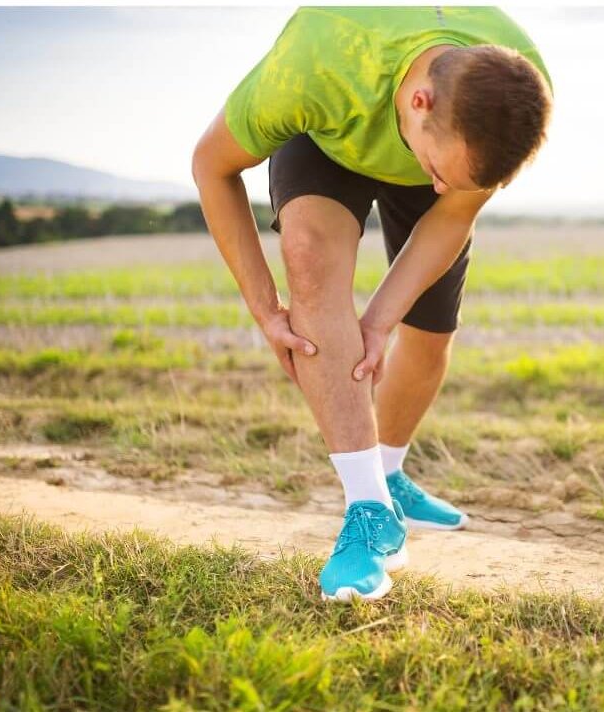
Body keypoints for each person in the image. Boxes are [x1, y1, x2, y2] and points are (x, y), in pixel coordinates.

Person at [192, 6, 552, 602]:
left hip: (437, 139)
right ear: (420, 103)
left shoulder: (514, 90)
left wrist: (381, 319)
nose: (440, 185)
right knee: (309, 257)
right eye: (441, 170)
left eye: (455, 179)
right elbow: (211, 165)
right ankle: (370, 512)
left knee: (430, 330)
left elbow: (453, 207)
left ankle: (387, 473)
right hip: (331, 136)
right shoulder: (318, 58)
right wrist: (265, 307)